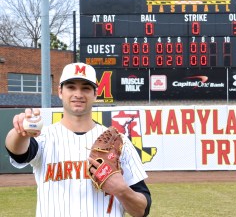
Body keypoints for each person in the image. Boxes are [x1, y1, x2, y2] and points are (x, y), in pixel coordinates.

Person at [5, 62, 151, 217]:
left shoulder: (120, 143)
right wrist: (20, 131)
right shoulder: (43, 139)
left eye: (86, 88)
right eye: (71, 87)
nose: (78, 94)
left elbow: (142, 210)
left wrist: (122, 190)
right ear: (60, 92)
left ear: (95, 94)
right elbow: (16, 151)